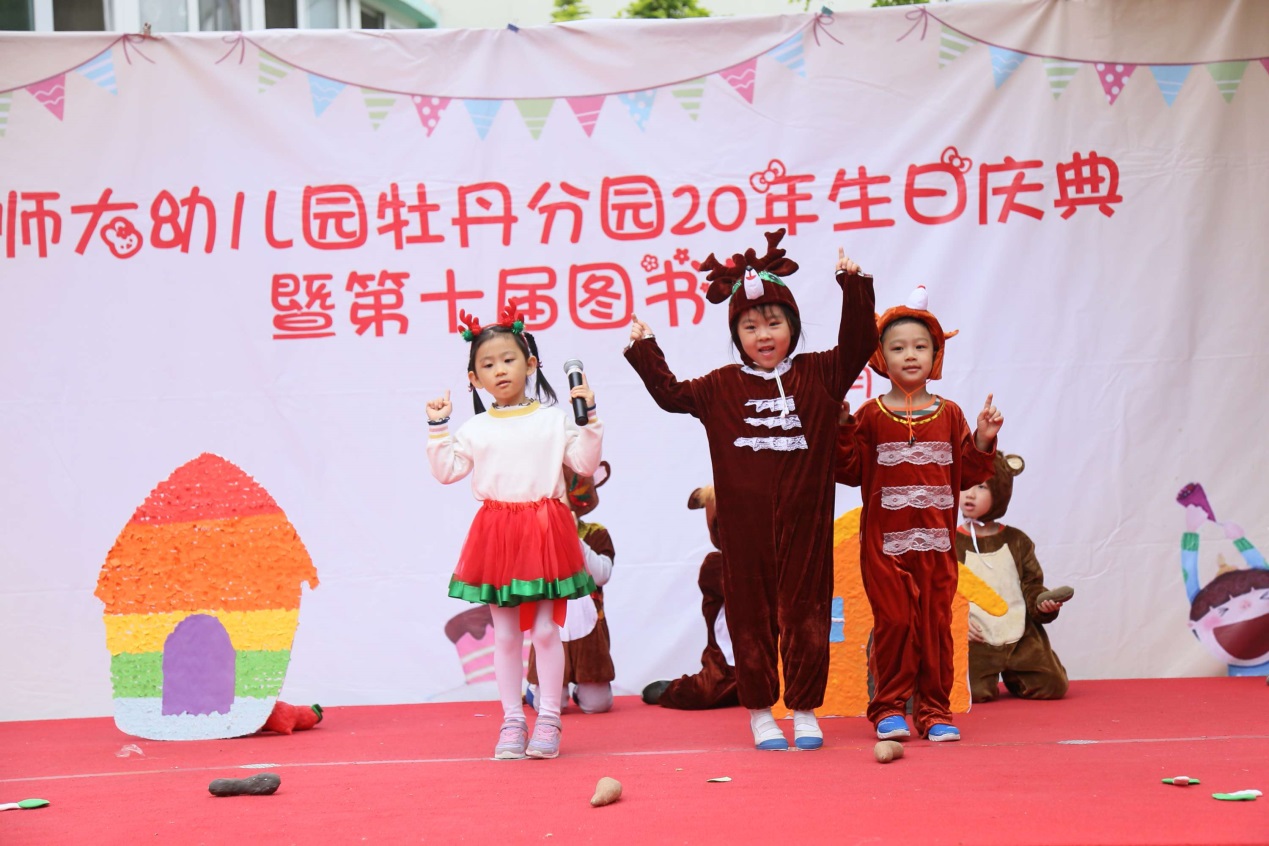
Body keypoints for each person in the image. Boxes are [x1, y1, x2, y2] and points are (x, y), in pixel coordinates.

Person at [626, 228, 877, 751]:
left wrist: (854, 287)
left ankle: (804, 710)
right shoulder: (720, 386)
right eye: (750, 326)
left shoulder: (820, 373)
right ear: (736, 334)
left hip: (806, 529)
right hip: (744, 535)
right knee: (751, 620)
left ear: (793, 326)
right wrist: (645, 349)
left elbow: (859, 345)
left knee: (806, 616)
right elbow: (671, 395)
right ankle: (761, 712)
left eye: (774, 323)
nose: (763, 335)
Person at [426, 304, 602, 760]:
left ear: (531, 363)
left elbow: (584, 463)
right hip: (498, 534)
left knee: (544, 631)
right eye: (487, 365)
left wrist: (589, 418)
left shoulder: (553, 419)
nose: (500, 370)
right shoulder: (475, 428)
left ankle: (549, 718)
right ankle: (511, 721)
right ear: (474, 379)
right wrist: (438, 428)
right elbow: (446, 472)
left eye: (508, 359)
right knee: (505, 635)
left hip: (545, 531)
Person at [836, 285, 1001, 743]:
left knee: (935, 626)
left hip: (938, 546)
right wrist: (842, 428)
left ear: (935, 354)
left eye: (920, 347)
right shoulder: (870, 415)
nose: (910, 355)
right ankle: (888, 708)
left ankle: (934, 710)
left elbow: (969, 472)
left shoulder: (950, 414)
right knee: (894, 623)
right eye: (898, 348)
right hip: (883, 546)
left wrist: (983, 438)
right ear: (880, 357)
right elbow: (848, 471)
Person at [956, 452, 1070, 702]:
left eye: (981, 487)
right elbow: (940, 591)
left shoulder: (1017, 540)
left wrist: (1042, 605)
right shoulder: (950, 542)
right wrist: (956, 621)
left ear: (1000, 491)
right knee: (973, 694)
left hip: (1021, 634)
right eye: (965, 485)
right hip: (976, 638)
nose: (970, 494)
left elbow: (1032, 585)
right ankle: (983, 674)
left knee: (1053, 686)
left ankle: (1017, 673)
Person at [526, 462, 617, 714]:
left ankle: (583, 689)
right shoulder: (538, 535)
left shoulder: (596, 534)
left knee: (597, 705)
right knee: (551, 705)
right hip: (552, 624)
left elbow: (602, 575)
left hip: (589, 629)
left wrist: (573, 538)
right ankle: (536, 688)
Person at [641, 484, 740, 711]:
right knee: (705, 692)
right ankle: (672, 689)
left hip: (766, 661)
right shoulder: (716, 565)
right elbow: (743, 590)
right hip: (728, 666)